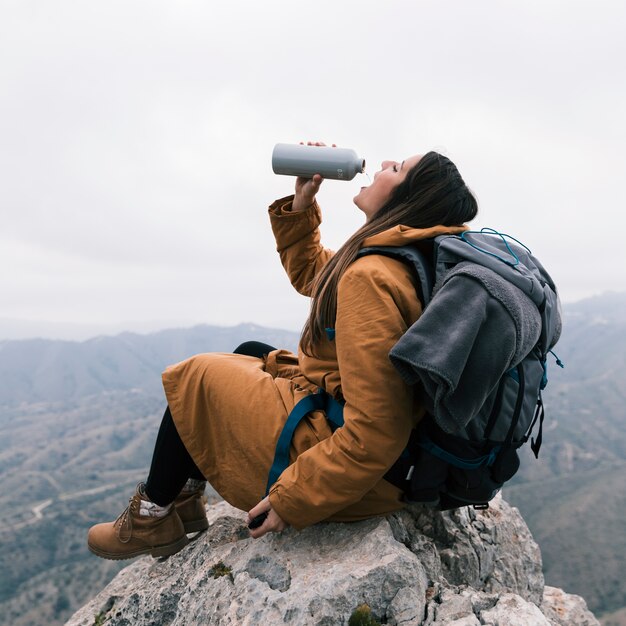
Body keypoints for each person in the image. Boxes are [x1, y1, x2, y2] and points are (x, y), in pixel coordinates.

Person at [87, 146, 478, 560]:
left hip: (368, 471)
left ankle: (152, 517)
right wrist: (302, 205)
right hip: (391, 455)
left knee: (197, 376)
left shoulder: (375, 276)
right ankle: (183, 498)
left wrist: (295, 498)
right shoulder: (410, 255)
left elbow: (377, 431)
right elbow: (317, 275)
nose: (382, 165)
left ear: (408, 199)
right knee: (249, 351)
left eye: (397, 168)